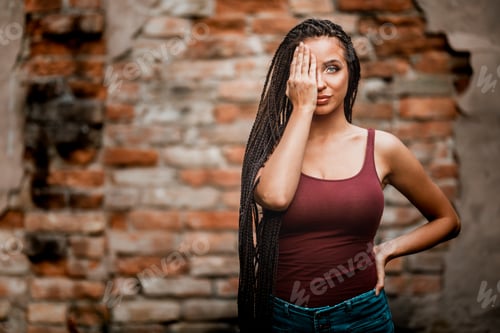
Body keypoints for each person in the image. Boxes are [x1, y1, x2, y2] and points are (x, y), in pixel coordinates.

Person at [237, 18, 461, 332]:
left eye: (332, 68)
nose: (319, 83)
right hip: (283, 321)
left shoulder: (382, 147)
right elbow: (276, 196)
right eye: (307, 71)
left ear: (350, 73)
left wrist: (386, 250)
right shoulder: (270, 151)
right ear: (290, 80)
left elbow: (447, 220)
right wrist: (302, 109)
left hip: (363, 318)